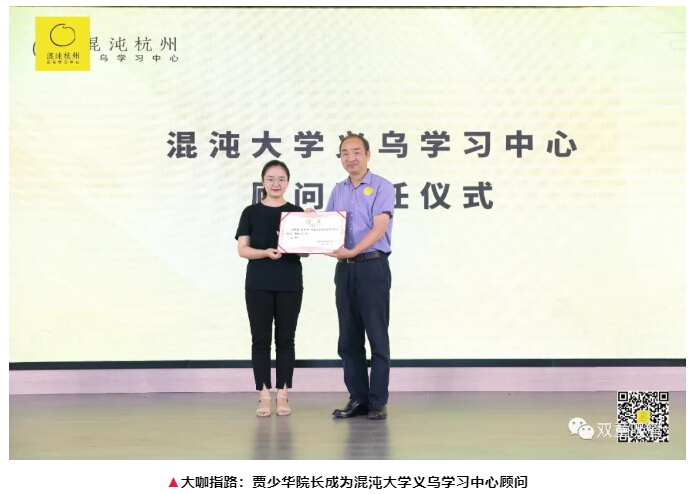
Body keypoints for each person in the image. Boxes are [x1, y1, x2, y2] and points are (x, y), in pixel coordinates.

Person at [325, 132, 395, 420]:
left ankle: (377, 401)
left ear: (368, 155)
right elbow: (328, 228)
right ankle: (358, 399)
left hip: (372, 268)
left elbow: (379, 229)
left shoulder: (382, 186)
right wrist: (311, 223)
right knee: (348, 338)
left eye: (356, 152)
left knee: (377, 336)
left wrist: (352, 251)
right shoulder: (338, 190)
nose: (350, 158)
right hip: (345, 270)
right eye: (345, 153)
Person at [235, 160, 306, 417]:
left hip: (290, 283)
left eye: (281, 179)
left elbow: (305, 252)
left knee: (286, 340)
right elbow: (243, 249)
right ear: (263, 182)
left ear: (288, 182)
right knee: (261, 340)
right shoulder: (250, 212)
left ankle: (283, 394)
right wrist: (265, 252)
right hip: (258, 283)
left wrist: (311, 224)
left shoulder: (296, 212)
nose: (276, 184)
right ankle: (264, 396)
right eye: (271, 179)